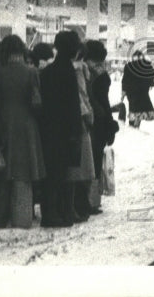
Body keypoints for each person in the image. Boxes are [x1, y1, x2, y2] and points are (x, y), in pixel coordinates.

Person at [0, 34, 45, 228]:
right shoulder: (31, 72)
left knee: (1, 175)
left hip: (2, 123)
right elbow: (37, 102)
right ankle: (22, 218)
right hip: (26, 126)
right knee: (23, 175)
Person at [38, 30, 83, 227]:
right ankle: (60, 214)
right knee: (63, 173)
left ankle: (50, 212)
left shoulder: (47, 72)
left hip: (48, 128)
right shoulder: (69, 73)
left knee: (51, 172)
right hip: (66, 130)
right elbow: (73, 106)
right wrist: (76, 131)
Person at [87, 40, 118, 210]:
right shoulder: (100, 73)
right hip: (98, 120)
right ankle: (93, 200)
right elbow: (104, 102)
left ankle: (84, 199)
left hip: (85, 118)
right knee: (96, 159)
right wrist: (110, 124)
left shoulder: (83, 69)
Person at [68, 42, 97, 221]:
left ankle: (78, 204)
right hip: (80, 122)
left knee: (77, 167)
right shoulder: (78, 71)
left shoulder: (77, 69)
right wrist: (89, 116)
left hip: (70, 121)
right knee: (83, 166)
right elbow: (82, 96)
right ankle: (80, 204)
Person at [121, 50, 154, 128]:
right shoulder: (146, 65)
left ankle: (133, 126)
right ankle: (136, 125)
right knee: (140, 109)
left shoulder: (129, 66)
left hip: (131, 92)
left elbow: (125, 81)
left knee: (133, 109)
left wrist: (123, 93)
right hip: (143, 92)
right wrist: (149, 82)